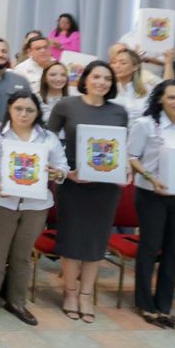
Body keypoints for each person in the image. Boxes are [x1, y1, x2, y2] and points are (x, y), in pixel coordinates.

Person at [0, 90, 67, 326]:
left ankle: (16, 302)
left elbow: (62, 166)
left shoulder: (48, 138)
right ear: (9, 109)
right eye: (18, 109)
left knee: (22, 256)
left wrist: (57, 173)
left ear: (37, 113)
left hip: (36, 206)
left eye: (29, 110)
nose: (23, 114)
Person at [45, 60, 130, 324]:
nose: (101, 82)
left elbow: (121, 148)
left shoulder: (119, 112)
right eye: (96, 77)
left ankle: (86, 295)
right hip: (74, 183)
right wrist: (64, 171)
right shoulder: (66, 105)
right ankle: (70, 293)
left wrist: (125, 170)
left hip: (106, 187)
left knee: (96, 241)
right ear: (85, 79)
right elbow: (47, 141)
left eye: (107, 78)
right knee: (71, 239)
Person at [126, 79, 175, 327]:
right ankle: (144, 303)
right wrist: (151, 177)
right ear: (160, 99)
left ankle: (164, 304)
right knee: (150, 247)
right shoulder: (146, 125)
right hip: (152, 194)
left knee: (173, 250)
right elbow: (131, 156)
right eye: (172, 97)